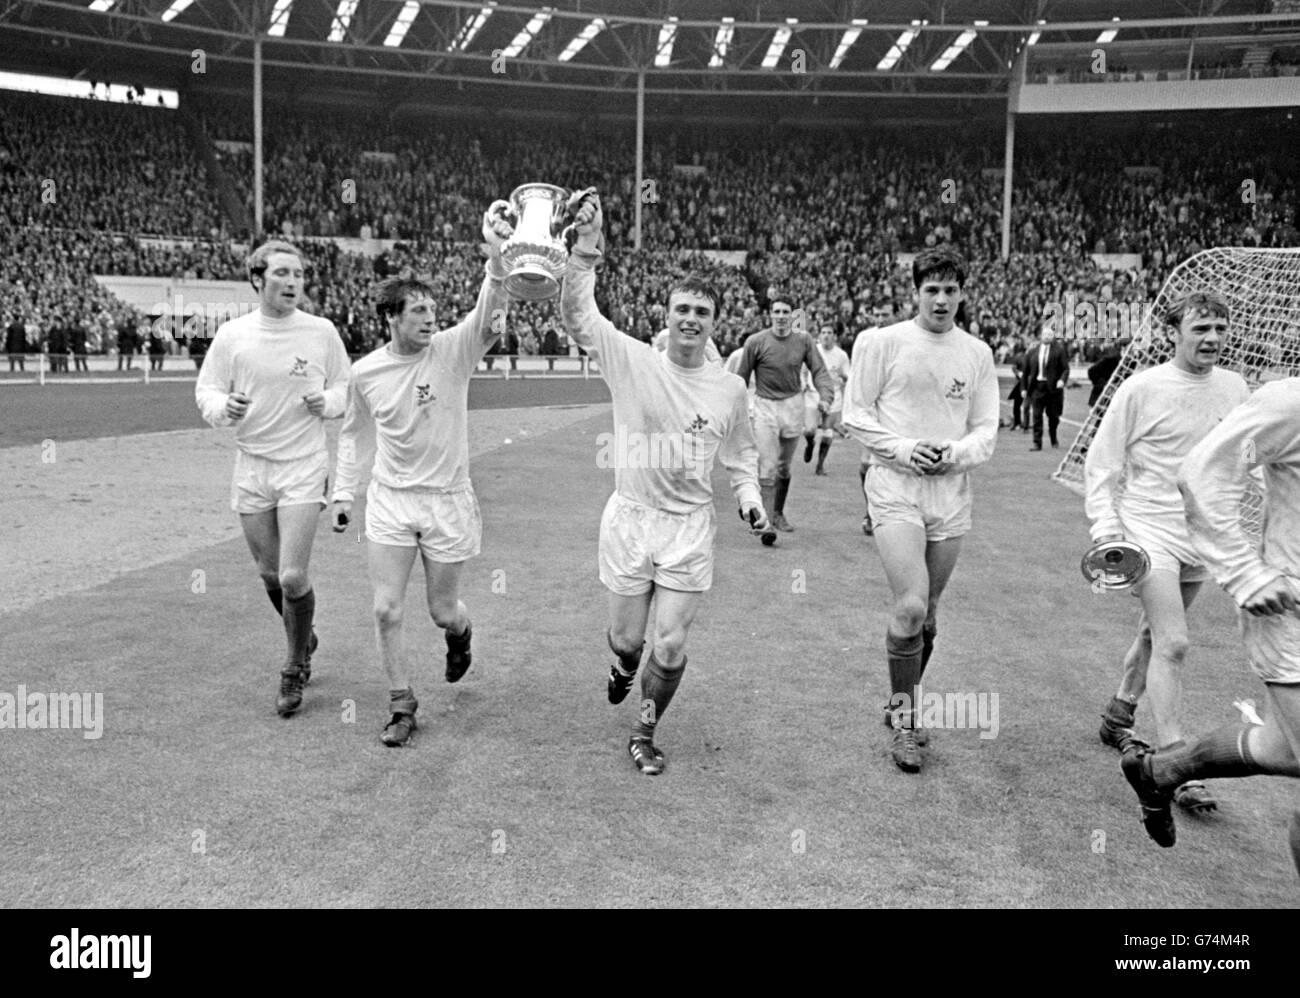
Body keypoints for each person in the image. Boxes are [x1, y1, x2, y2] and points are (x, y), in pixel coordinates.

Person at [560, 191, 769, 777]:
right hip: (630, 519)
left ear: (713, 322)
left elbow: (742, 455)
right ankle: (624, 665)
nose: (690, 320)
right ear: (667, 312)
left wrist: (750, 503)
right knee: (628, 641)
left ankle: (645, 731)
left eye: (702, 313)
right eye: (682, 309)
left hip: (688, 529)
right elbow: (579, 317)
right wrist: (585, 249)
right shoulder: (633, 360)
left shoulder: (728, 388)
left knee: (670, 644)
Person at [329, 205, 513, 747]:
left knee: (440, 610)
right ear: (391, 316)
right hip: (390, 500)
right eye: (417, 310)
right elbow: (354, 436)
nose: (430, 317)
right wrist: (344, 493)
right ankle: (401, 702)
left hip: (447, 501)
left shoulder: (453, 350)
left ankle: (461, 633)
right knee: (386, 608)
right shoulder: (365, 373)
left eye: (433, 308)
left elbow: (489, 307)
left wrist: (496, 253)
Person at [1122, 376, 1300, 872]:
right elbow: (1203, 471)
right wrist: (1246, 573)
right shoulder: (1292, 401)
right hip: (1288, 611)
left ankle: (1161, 770)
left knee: (1282, 750)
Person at [1086, 291, 1250, 814]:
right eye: (1201, 328)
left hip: (1200, 534)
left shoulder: (1234, 387)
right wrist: (1108, 531)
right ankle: (1174, 763)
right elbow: (1102, 465)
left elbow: (1243, 455)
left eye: (1220, 329)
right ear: (1171, 333)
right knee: (1174, 641)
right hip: (1147, 530)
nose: (1213, 339)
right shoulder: (1142, 388)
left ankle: (1119, 715)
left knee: (1152, 632)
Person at [841, 245, 999, 773]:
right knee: (909, 605)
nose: (941, 299)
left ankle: (900, 700)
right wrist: (906, 449)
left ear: (962, 294)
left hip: (950, 492)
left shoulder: (976, 352)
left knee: (928, 615)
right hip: (895, 485)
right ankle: (907, 723)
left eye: (951, 290)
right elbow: (855, 417)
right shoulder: (881, 343)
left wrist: (951, 454)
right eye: (931, 289)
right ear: (915, 292)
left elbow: (986, 430)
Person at [195, 240, 351, 717]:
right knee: (268, 574)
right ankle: (304, 633)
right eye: (282, 273)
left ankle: (293, 665)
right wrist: (225, 408)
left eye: (299, 274)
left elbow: (346, 387)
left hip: (303, 465)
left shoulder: (322, 331)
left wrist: (331, 402)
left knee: (292, 573)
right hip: (252, 467)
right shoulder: (233, 335)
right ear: (257, 279)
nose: (293, 282)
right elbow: (207, 391)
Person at [735, 299, 835, 536]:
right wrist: (734, 410)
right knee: (767, 465)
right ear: (770, 315)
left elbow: (819, 370)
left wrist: (825, 396)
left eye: (786, 312)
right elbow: (740, 378)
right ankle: (765, 523)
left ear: (793, 316)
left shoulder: (803, 340)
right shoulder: (756, 342)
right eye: (777, 312)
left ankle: (778, 513)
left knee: (783, 467)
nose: (781, 316)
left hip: (793, 404)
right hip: (765, 406)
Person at [803, 324, 851, 476]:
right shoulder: (813, 350)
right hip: (813, 394)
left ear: (834, 336)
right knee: (810, 430)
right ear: (819, 335)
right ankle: (810, 443)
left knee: (828, 433)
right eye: (823, 332)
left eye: (829, 333)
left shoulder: (841, 355)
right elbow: (802, 370)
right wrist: (803, 384)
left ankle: (820, 465)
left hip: (833, 396)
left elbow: (848, 377)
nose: (826, 336)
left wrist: (842, 375)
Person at [1022, 320, 1069, 450]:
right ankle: (1037, 443)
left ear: (1053, 336)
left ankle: (1053, 438)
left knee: (1053, 417)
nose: (1047, 336)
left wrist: (1062, 380)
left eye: (1049, 334)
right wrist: (1024, 388)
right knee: (1036, 416)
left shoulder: (1059, 350)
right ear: (1041, 336)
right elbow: (1025, 372)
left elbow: (1065, 369)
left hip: (1053, 389)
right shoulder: (1033, 352)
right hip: (1038, 387)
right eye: (1045, 334)